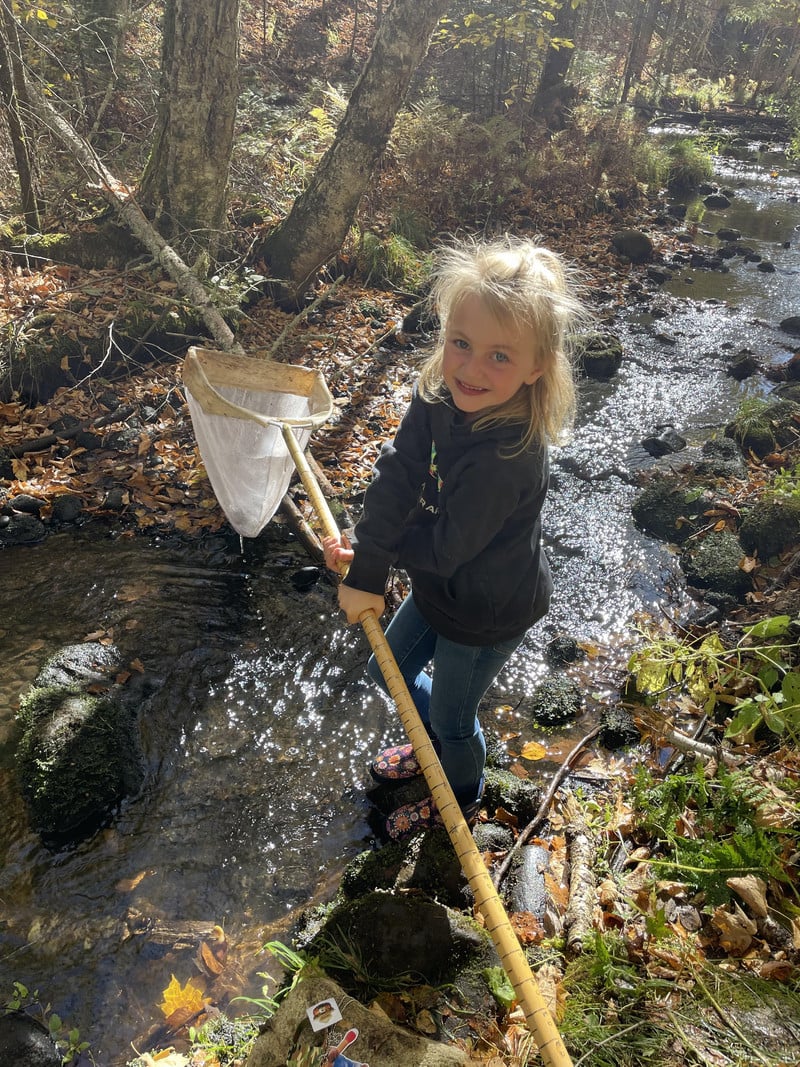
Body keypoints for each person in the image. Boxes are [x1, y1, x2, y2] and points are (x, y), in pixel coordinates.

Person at [323, 234, 587, 840]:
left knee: (453, 717)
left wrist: (377, 556)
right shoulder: (440, 396)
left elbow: (446, 548)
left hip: (488, 611)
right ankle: (428, 745)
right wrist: (368, 566)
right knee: (383, 668)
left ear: (536, 367)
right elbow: (397, 473)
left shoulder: (507, 458)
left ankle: (460, 799)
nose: (470, 368)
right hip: (441, 585)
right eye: (460, 343)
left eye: (500, 356)